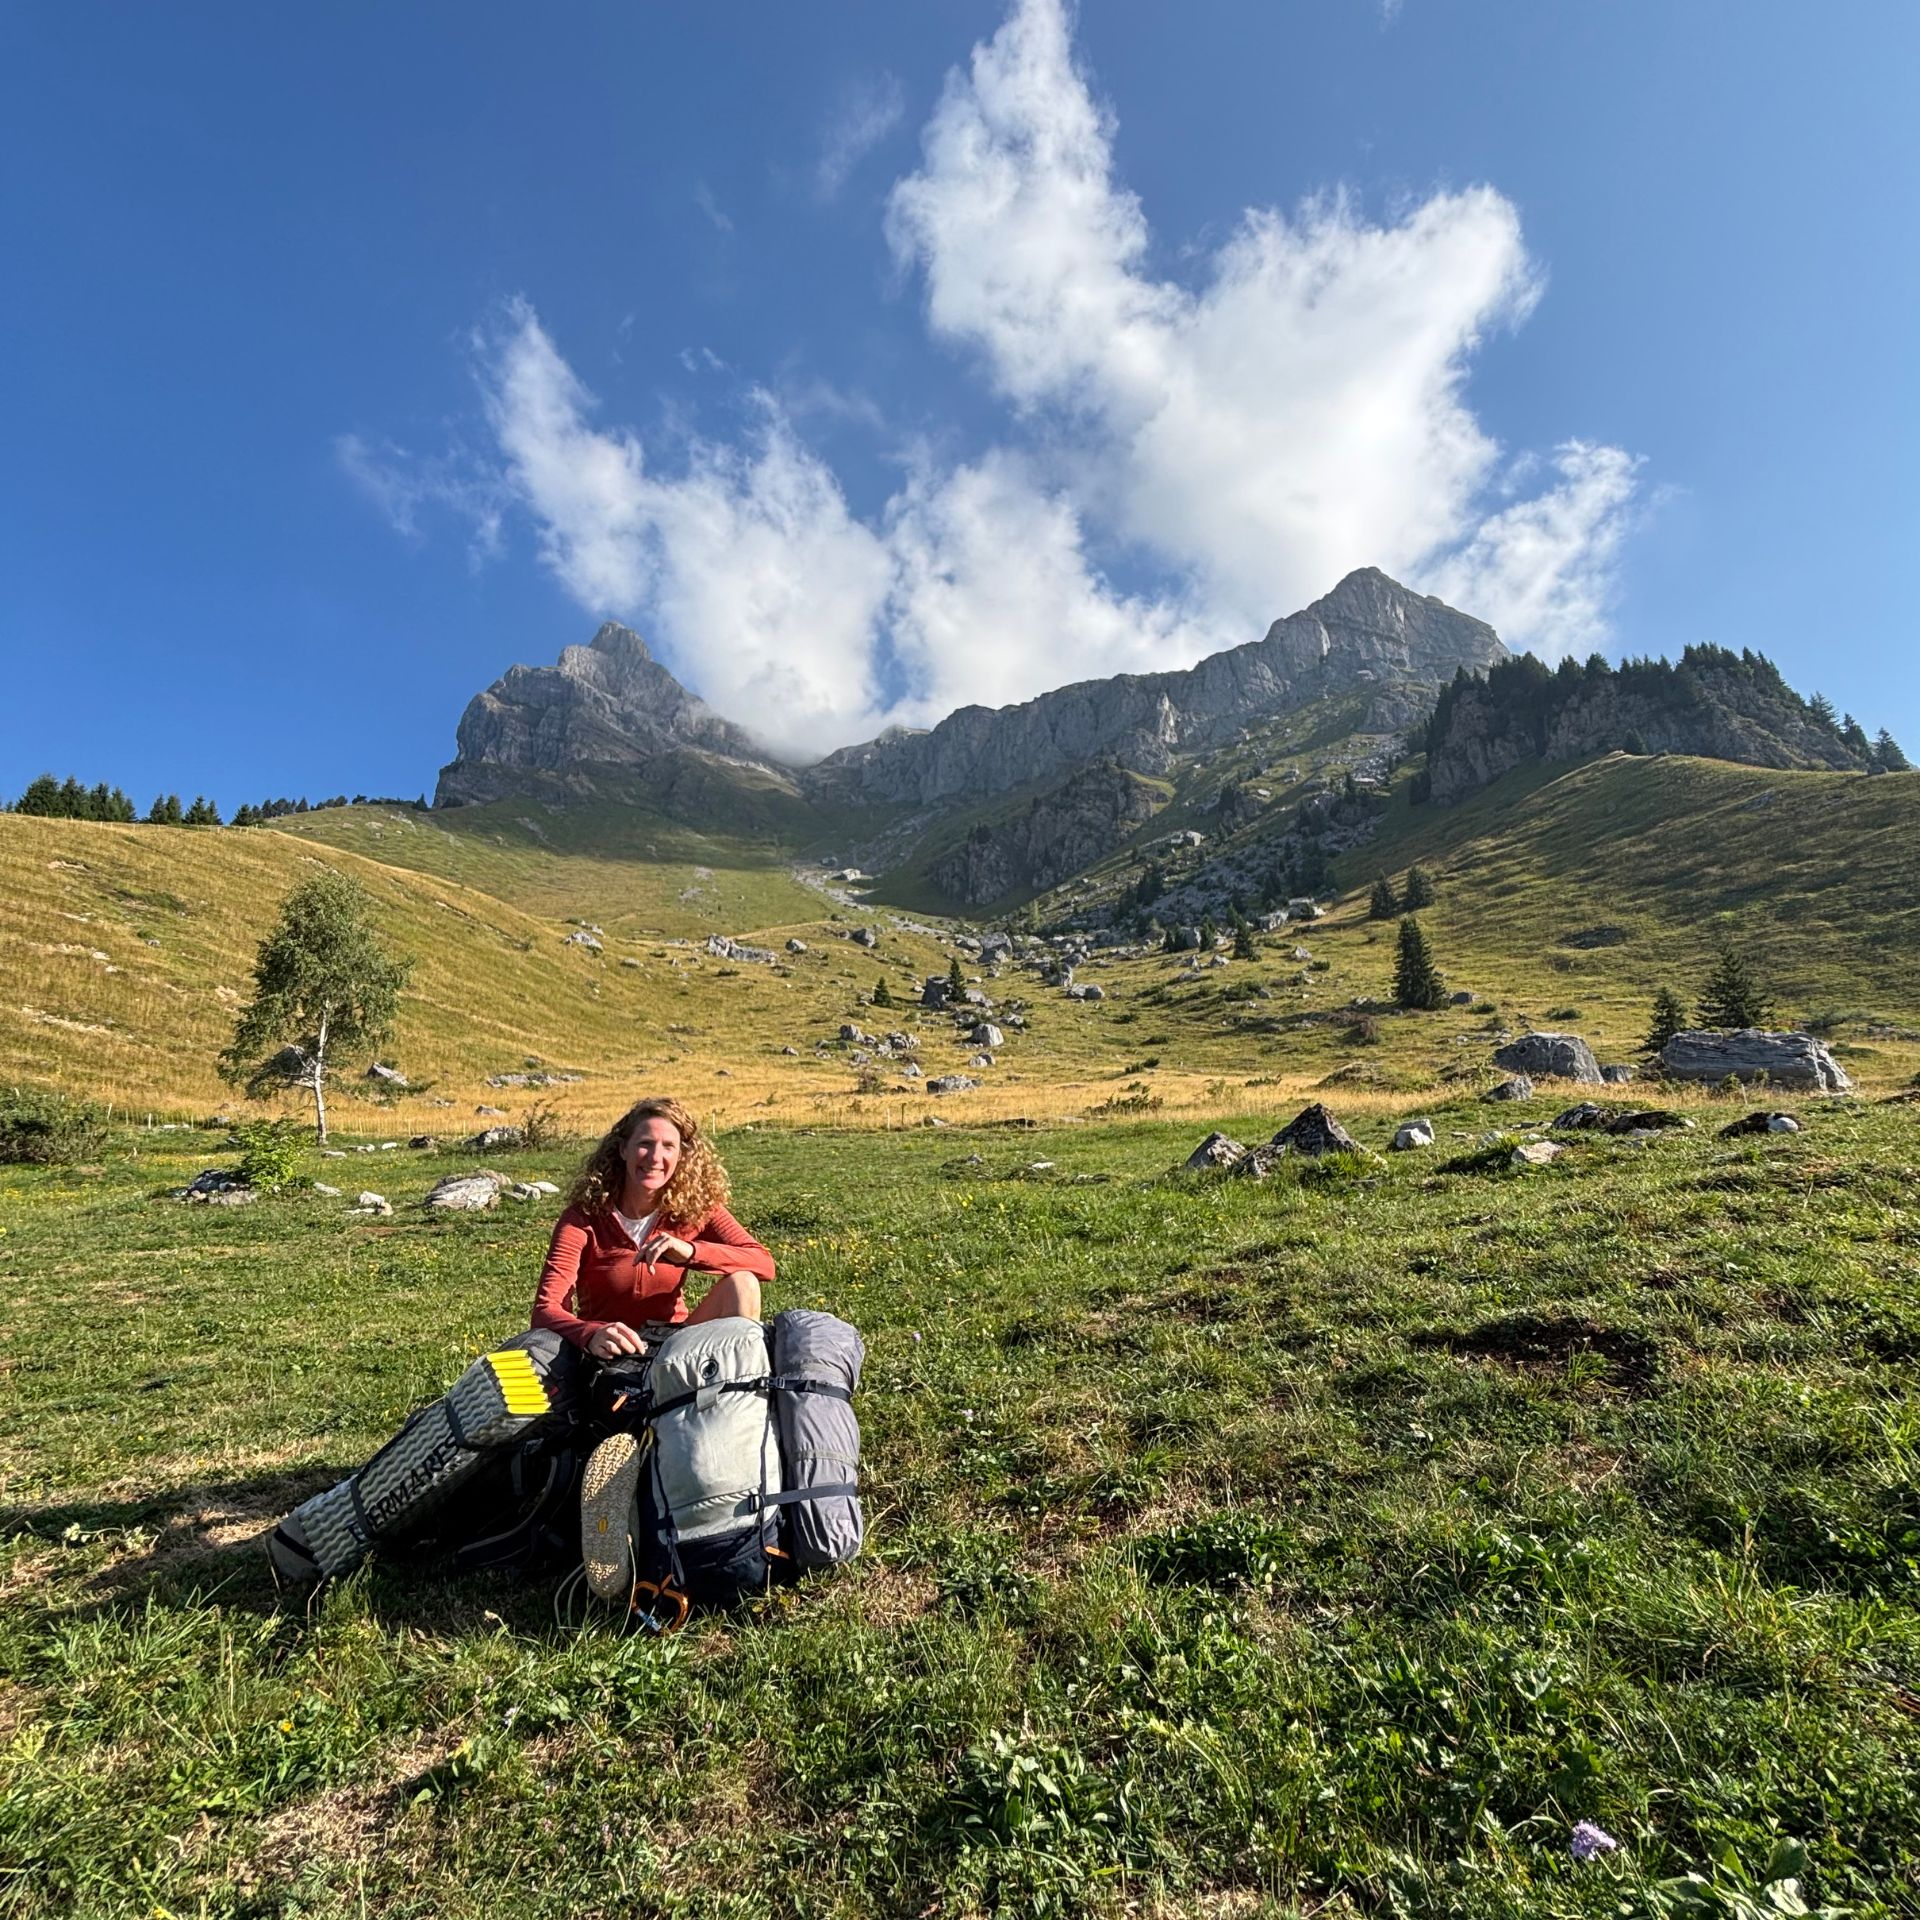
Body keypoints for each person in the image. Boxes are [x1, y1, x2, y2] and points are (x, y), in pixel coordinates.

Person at [268, 1097, 774, 1586]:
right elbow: (547, 1309)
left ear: (684, 1155)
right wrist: (591, 1333)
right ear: (621, 1148)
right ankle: (621, 1475)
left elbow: (762, 1262)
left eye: (669, 1146)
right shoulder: (585, 1216)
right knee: (547, 1375)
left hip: (675, 1345)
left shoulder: (694, 1210)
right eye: (645, 1143)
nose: (656, 1157)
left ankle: (721, 1426)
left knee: (742, 1284)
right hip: (607, 1352)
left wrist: (692, 1250)